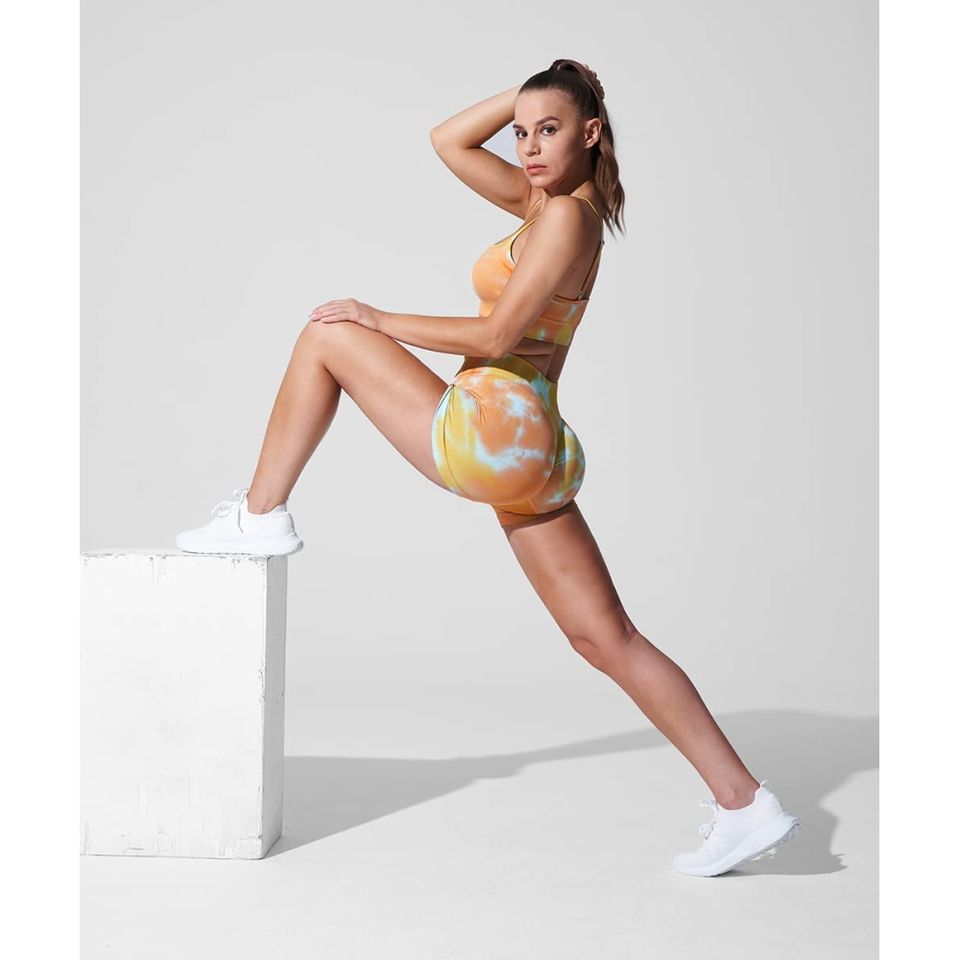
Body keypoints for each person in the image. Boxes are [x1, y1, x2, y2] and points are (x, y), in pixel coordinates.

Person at [175, 60, 801, 877]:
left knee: (329, 335)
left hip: (495, 426)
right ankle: (744, 802)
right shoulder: (552, 207)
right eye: (522, 132)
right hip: (532, 447)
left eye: (550, 130)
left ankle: (260, 514)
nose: (529, 146)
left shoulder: (563, 219)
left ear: (592, 133)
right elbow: (447, 140)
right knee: (605, 637)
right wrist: (545, 88)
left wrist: (377, 317)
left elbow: (498, 337)